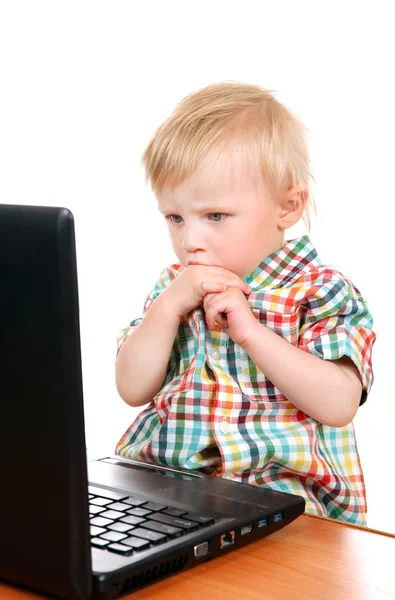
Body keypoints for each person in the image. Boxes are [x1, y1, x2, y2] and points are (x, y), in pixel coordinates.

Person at [114, 82, 376, 525]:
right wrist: (165, 310)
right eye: (175, 218)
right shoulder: (173, 289)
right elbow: (131, 388)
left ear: (288, 207)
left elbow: (338, 403)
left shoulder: (319, 290)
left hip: (286, 505)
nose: (190, 241)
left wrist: (251, 332)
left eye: (215, 216)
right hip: (170, 489)